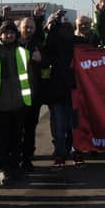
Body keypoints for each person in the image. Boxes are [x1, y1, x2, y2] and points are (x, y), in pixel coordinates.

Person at [0, 21, 33, 185]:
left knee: (16, 138)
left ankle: (14, 168)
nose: (9, 35)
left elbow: (29, 77)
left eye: (12, 32)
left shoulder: (23, 52)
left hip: (19, 103)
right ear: (0, 35)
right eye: (6, 33)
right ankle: (2, 169)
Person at [44, 12, 78, 168]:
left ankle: (75, 150)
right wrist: (55, 21)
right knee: (59, 126)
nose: (65, 30)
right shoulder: (53, 46)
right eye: (61, 28)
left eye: (68, 27)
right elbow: (50, 39)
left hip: (75, 91)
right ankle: (59, 152)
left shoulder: (78, 43)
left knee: (74, 125)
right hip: (57, 92)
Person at [18, 10, 47, 171]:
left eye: (31, 27)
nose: (28, 29)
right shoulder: (13, 43)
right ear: (20, 28)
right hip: (15, 96)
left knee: (30, 129)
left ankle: (27, 159)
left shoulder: (38, 44)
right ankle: (15, 159)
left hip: (33, 96)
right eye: (25, 27)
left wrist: (41, 59)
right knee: (15, 130)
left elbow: (47, 63)